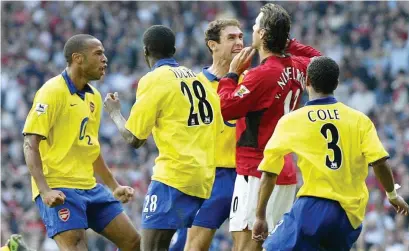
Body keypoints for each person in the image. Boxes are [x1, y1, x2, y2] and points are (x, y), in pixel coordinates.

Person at [253, 56, 409, 250]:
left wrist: (260, 215)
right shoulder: (359, 120)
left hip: (313, 207)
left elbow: (269, 173)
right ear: (336, 83)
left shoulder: (292, 121)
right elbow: (380, 162)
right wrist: (392, 195)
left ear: (307, 81)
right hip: (349, 217)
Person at [103, 25, 223, 251]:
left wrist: (115, 113)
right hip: (203, 180)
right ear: (174, 50)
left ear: (146, 51)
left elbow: (134, 138)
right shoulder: (200, 80)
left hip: (173, 178)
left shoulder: (154, 79)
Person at [22, 34, 141, 251]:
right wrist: (45, 190)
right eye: (98, 53)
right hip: (59, 186)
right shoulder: (52, 91)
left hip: (89, 186)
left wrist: (114, 186)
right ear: (78, 58)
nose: (105, 59)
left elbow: (91, 148)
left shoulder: (94, 96)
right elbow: (31, 143)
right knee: (77, 245)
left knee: (134, 242)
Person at [217, 4, 321, 251]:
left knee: (245, 246)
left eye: (255, 26)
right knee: (270, 245)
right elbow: (320, 60)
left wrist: (231, 76)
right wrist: (289, 42)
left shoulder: (261, 74)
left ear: (262, 34)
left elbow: (227, 108)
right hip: (283, 171)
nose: (250, 29)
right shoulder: (297, 66)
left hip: (256, 170)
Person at [170, 19, 243, 251]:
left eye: (241, 37)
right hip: (211, 176)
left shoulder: (253, 80)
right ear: (212, 45)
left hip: (248, 174)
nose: (239, 42)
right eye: (231, 38)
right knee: (192, 246)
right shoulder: (193, 85)